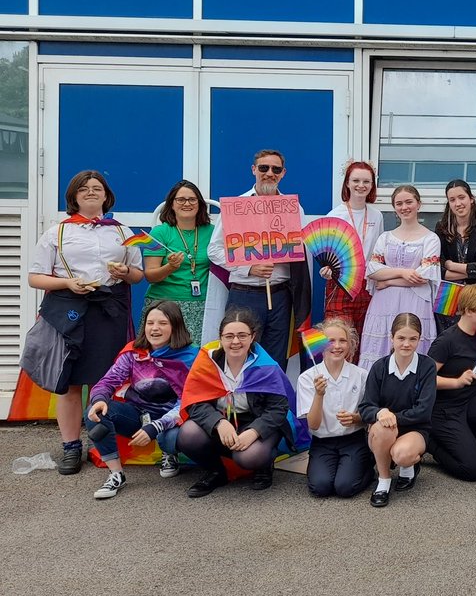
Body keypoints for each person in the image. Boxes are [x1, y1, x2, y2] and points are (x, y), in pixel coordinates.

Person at [22, 170, 144, 476]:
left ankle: (101, 445)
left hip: (108, 311)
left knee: (104, 382)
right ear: (73, 196)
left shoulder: (122, 231)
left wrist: (124, 274)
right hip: (69, 310)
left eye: (97, 188)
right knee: (71, 383)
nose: (91, 192)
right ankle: (71, 447)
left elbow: (138, 273)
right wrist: (68, 284)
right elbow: (35, 277)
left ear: (106, 195)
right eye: (84, 189)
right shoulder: (57, 232)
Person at [177, 309, 305, 498]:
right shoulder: (207, 362)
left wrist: (254, 432)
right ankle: (216, 472)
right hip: (222, 421)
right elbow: (195, 403)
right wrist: (218, 423)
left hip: (257, 421)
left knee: (248, 456)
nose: (235, 341)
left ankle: (263, 466)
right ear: (220, 338)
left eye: (242, 335)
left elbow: (278, 409)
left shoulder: (266, 367)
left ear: (252, 337)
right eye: (229, 336)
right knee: (187, 434)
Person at [206, 149, 311, 369]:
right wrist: (248, 267)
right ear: (254, 170)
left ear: (283, 173)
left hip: (280, 295)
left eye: (276, 169)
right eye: (264, 168)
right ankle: (238, 403)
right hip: (244, 294)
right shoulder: (236, 207)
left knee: (275, 360)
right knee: (238, 355)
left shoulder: (294, 208)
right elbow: (214, 250)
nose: (269, 173)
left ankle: (271, 403)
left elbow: (302, 247)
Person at [83, 302, 197, 499]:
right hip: (138, 416)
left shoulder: (190, 358)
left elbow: (189, 401)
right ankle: (116, 474)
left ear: (176, 326)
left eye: (163, 323)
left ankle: (169, 453)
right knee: (95, 413)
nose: (155, 328)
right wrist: (100, 399)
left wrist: (156, 427)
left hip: (174, 419)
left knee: (169, 439)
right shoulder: (133, 353)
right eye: (150, 322)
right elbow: (108, 381)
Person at [426, 284, 476, 481]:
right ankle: (432, 444)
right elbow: (424, 380)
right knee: (475, 470)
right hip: (445, 409)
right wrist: (456, 382)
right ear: (470, 310)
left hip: (470, 401)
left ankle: (464, 441)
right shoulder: (446, 341)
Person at [359, 313, 437, 507]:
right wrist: (380, 413)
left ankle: (408, 466)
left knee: (401, 454)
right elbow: (366, 406)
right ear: (391, 338)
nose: (406, 344)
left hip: (415, 428)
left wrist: (392, 416)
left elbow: (423, 411)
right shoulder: (379, 367)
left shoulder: (427, 366)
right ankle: (384, 481)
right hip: (384, 428)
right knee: (383, 429)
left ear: (420, 339)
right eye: (401, 338)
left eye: (413, 339)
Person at [360, 185, 441, 362]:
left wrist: (389, 281)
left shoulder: (431, 238)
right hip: (384, 303)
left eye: (409, 202)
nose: (404, 207)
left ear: (418, 204)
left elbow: (425, 275)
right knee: (381, 347)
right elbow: (372, 269)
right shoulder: (385, 237)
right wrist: (403, 272)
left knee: (411, 344)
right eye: (399, 203)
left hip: (415, 301)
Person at [296, 317, 372, 499]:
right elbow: (313, 425)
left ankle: (368, 468)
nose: (337, 346)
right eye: (330, 341)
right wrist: (319, 395)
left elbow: (369, 413)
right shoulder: (307, 378)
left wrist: (356, 418)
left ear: (350, 344)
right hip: (323, 442)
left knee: (344, 487)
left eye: (342, 340)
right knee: (320, 487)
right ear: (321, 345)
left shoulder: (361, 375)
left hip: (353, 439)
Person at [141, 180, 214, 342]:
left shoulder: (213, 232)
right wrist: (170, 267)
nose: (187, 203)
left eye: (192, 199)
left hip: (203, 305)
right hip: (165, 306)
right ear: (172, 204)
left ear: (200, 204)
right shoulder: (159, 233)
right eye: (180, 200)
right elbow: (150, 275)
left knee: (198, 359)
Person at [321, 162, 385, 340]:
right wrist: (326, 270)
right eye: (356, 180)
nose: (361, 185)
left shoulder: (376, 216)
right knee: (338, 338)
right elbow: (327, 256)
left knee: (364, 338)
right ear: (347, 183)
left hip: (367, 283)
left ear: (372, 185)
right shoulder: (334, 215)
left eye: (366, 181)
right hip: (340, 282)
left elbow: (377, 254)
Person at [435, 179, 476, 333]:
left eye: (461, 197)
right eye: (452, 200)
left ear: (471, 199)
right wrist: (468, 271)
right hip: (448, 297)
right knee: (448, 342)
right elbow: (437, 268)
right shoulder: (442, 229)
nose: (458, 203)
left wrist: (451, 265)